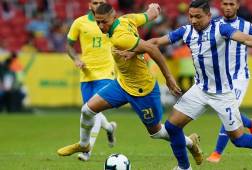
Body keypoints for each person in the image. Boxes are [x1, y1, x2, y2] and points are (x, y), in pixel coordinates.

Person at [57, 3, 204, 165]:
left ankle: (190, 143)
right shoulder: (127, 19)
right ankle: (84, 145)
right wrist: (153, 9)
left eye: (103, 22)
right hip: (122, 84)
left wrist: (168, 78)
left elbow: (152, 48)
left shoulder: (120, 37)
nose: (100, 26)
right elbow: (148, 15)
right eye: (97, 22)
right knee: (87, 109)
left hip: (143, 90)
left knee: (156, 133)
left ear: (113, 17)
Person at [148, 0, 252, 169]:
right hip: (200, 90)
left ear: (208, 15)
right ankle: (184, 167)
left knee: (238, 139)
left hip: (223, 93)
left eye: (198, 17)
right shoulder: (186, 31)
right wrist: (133, 47)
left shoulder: (221, 28)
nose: (193, 21)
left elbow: (245, 38)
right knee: (172, 126)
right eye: (191, 16)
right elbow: (156, 42)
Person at [206, 0, 252, 163]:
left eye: (231, 4)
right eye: (225, 4)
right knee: (225, 110)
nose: (228, 7)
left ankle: (217, 153)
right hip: (221, 77)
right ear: (221, 5)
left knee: (227, 110)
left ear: (237, 6)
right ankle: (251, 123)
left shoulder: (247, 26)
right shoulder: (214, 24)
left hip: (240, 76)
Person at [64, 0, 118, 161]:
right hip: (86, 73)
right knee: (90, 111)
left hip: (106, 72)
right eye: (95, 2)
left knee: (94, 110)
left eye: (102, 2)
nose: (98, 4)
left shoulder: (113, 22)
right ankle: (109, 128)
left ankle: (87, 150)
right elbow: (69, 46)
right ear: (89, 5)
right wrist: (76, 58)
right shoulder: (79, 23)